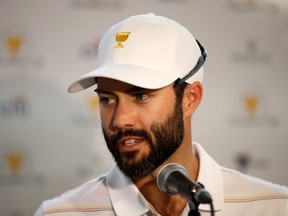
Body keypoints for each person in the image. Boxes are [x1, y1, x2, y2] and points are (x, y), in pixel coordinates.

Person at [34, 13, 288, 216]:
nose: (120, 119)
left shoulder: (274, 207)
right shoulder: (59, 213)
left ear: (190, 99)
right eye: (107, 99)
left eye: (141, 95)